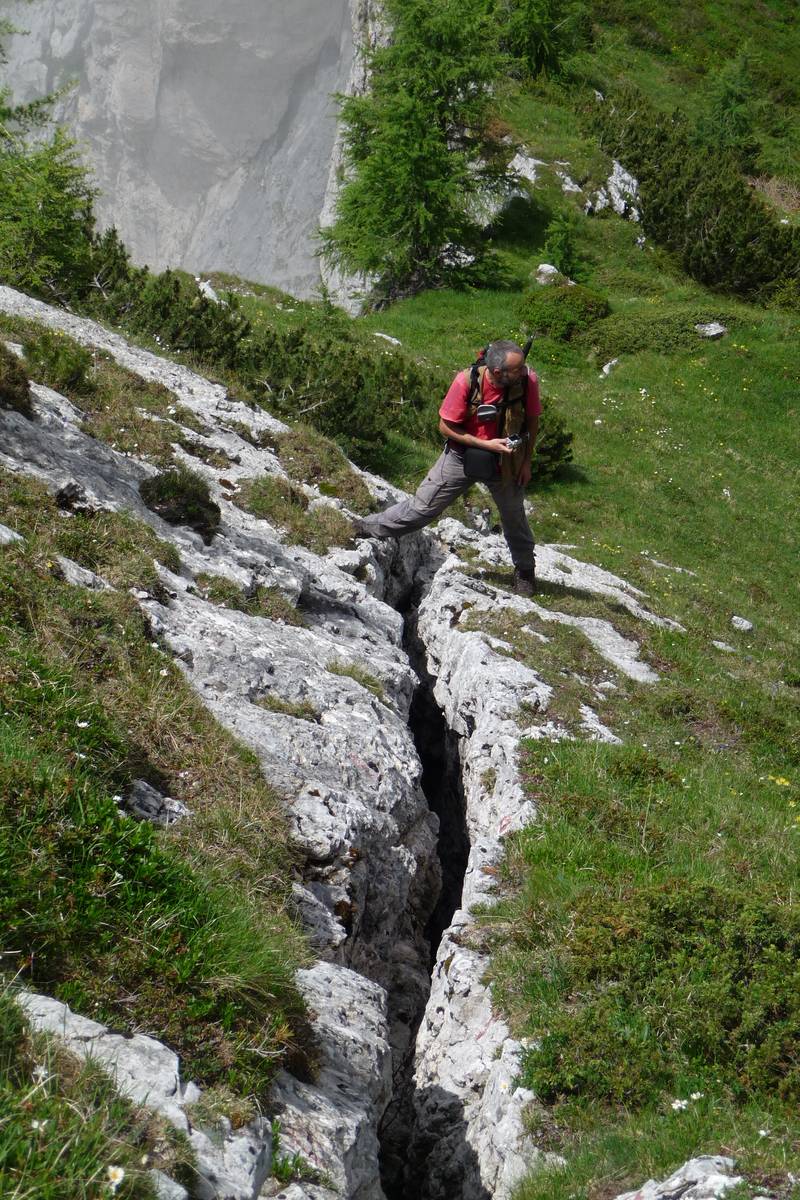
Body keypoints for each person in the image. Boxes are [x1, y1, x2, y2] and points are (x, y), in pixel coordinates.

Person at [356, 339, 541, 595]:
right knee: (422, 510)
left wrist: (526, 462)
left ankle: (525, 572)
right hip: (461, 457)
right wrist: (487, 445)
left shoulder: (527, 381)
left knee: (514, 518)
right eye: (518, 369)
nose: (525, 371)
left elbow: (532, 421)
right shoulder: (466, 382)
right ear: (497, 372)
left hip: (507, 462)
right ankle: (365, 528)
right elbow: (446, 427)